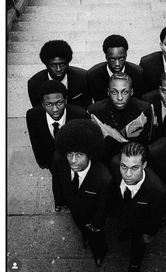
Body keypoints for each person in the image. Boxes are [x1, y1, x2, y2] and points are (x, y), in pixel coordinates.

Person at [53, 119, 112, 267]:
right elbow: (57, 182)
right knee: (81, 228)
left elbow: (104, 205)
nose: (73, 161)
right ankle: (86, 236)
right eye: (70, 154)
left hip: (92, 216)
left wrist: (97, 224)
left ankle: (100, 251)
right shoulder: (59, 161)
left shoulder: (104, 179)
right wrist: (59, 201)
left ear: (90, 153)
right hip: (75, 210)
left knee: (97, 237)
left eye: (79, 154)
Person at [26, 80, 89, 211]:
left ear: (66, 100)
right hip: (50, 158)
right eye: (49, 104)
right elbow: (35, 140)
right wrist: (41, 161)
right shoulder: (32, 115)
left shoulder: (80, 114)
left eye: (59, 103)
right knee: (57, 179)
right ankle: (60, 202)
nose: (55, 109)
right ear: (42, 104)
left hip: (73, 157)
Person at [110, 142, 166, 272]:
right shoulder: (114, 164)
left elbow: (156, 216)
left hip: (142, 223)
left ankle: (135, 262)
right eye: (124, 166)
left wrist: (149, 233)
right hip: (124, 213)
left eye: (134, 168)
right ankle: (128, 230)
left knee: (138, 244)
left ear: (144, 165)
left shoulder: (157, 190)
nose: (127, 174)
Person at [88, 72, 152, 161]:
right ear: (108, 92)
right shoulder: (95, 111)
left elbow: (146, 142)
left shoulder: (143, 110)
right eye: (114, 92)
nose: (120, 97)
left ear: (132, 92)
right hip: (105, 162)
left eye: (125, 92)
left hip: (135, 160)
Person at [28, 40, 91, 108]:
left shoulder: (83, 78)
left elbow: (87, 107)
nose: (58, 69)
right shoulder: (34, 84)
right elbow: (38, 111)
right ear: (46, 65)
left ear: (68, 63)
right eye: (53, 65)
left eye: (62, 64)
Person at [88, 34, 145, 102]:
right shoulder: (93, 75)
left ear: (126, 55)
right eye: (112, 59)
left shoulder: (138, 74)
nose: (117, 64)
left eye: (121, 58)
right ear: (106, 57)